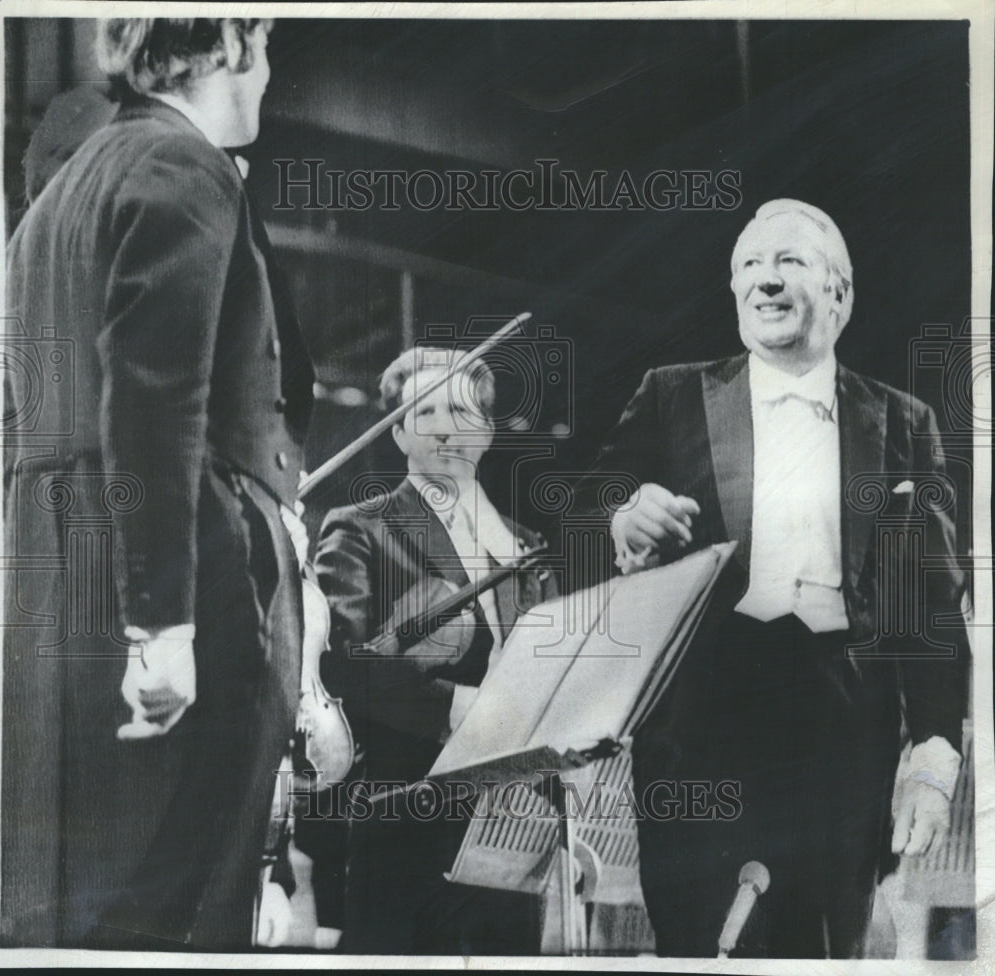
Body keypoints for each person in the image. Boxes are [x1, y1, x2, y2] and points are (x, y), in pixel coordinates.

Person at [579, 200, 969, 957]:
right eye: (750, 266)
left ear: (840, 294)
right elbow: (588, 508)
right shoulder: (673, 393)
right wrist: (622, 514)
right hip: (700, 734)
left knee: (823, 954)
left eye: (789, 261)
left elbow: (932, 603)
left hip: (844, 744)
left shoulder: (905, 422)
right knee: (699, 948)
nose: (766, 279)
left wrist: (932, 753)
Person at [1, 18, 313, 949]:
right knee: (179, 916)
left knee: (74, 905)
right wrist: (163, 628)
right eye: (264, 42)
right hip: (177, 581)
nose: (269, 70)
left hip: (58, 579)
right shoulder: (183, 166)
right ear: (229, 46)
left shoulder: (58, 200)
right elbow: (155, 399)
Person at [307, 346, 557, 953]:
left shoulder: (527, 548)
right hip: (407, 818)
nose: (447, 426)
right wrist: (460, 706)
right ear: (397, 433)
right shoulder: (360, 526)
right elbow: (347, 666)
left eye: (464, 410)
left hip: (516, 823)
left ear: (488, 430)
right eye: (427, 411)